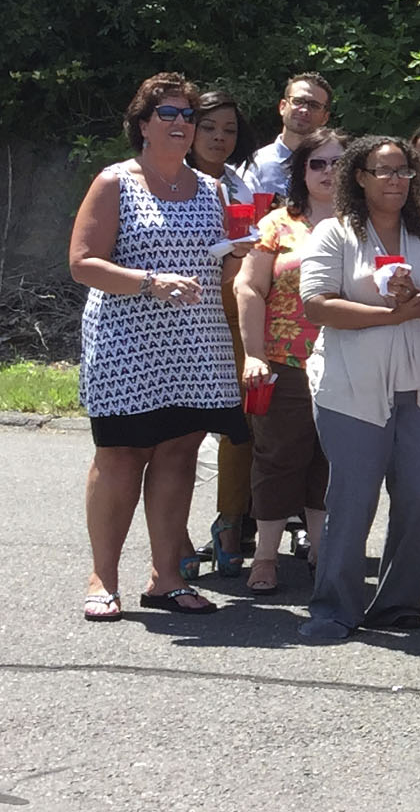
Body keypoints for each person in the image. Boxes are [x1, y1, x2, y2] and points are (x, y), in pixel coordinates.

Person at [71, 74, 250, 620]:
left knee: (178, 452)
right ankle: (103, 578)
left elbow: (219, 271)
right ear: (143, 125)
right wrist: (151, 282)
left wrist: (239, 258)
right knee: (121, 455)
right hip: (127, 342)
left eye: (188, 116)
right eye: (168, 114)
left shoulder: (213, 189)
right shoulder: (115, 181)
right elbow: (83, 263)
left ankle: (166, 578)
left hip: (196, 344)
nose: (181, 124)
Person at [298, 135, 420, 639]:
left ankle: (398, 604)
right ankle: (334, 608)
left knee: (417, 497)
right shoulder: (334, 233)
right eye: (384, 171)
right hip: (351, 384)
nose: (396, 180)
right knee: (352, 499)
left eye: (404, 171)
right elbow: (316, 305)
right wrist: (391, 314)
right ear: (360, 177)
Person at [234, 128, 347, 594]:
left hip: (347, 361)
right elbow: (248, 288)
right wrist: (253, 355)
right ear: (302, 171)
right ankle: (265, 557)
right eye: (317, 163)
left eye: (338, 162)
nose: (328, 172)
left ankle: (322, 553)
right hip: (284, 360)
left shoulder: (365, 226)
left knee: (330, 460)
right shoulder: (277, 224)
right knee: (277, 459)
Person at [188, 87, 259, 575]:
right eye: (209, 127)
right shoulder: (168, 178)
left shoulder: (240, 183)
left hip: (231, 312)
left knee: (239, 424)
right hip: (181, 313)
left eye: (229, 129)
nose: (219, 137)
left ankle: (230, 522)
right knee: (179, 430)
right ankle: (173, 537)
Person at [246, 73, 333, 197]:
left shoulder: (332, 168)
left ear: (325, 118)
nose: (304, 110)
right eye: (298, 101)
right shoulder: (255, 164)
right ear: (282, 107)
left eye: (314, 106)